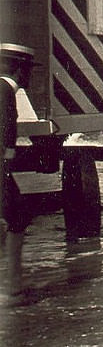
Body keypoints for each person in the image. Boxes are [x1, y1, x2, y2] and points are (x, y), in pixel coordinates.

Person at [1, 43, 35, 295]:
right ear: (19, 70)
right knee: (19, 214)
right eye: (28, 70)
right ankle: (13, 283)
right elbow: (4, 128)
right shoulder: (4, 91)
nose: (29, 76)